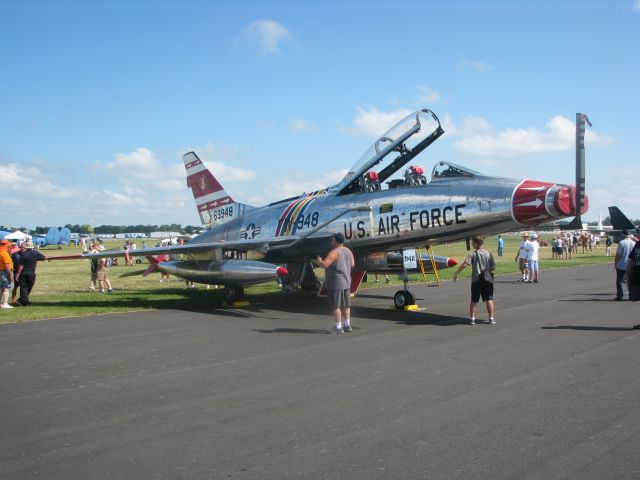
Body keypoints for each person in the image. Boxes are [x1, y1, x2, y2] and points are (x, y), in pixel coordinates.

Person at [315, 232, 355, 333]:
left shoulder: (334, 252)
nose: (331, 241)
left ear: (336, 241)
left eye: (333, 239)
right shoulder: (348, 251)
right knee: (346, 305)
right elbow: (353, 264)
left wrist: (318, 260)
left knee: (336, 306)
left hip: (335, 283)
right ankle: (347, 325)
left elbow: (325, 264)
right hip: (346, 282)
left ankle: (338, 327)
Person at [452, 235, 496, 325]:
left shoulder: (472, 254)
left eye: (472, 242)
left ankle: (472, 319)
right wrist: (486, 271)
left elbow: (464, 264)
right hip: (487, 279)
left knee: (474, 300)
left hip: (476, 280)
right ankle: (491, 318)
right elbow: (493, 267)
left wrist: (456, 273)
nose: (471, 244)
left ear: (476, 243)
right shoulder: (489, 253)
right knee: (489, 299)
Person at [15, 242, 47, 306]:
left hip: (23, 273)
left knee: (23, 288)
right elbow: (44, 258)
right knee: (29, 287)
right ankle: (24, 302)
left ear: (26, 247)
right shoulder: (35, 253)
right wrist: (36, 259)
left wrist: (18, 274)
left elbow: (21, 265)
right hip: (31, 273)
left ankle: (22, 301)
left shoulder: (23, 255)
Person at [614, 231, 635, 301]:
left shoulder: (621, 242)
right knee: (630, 280)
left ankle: (620, 296)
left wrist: (616, 263)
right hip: (630, 264)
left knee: (620, 281)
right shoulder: (633, 243)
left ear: (623, 235)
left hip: (621, 264)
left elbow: (618, 254)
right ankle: (632, 295)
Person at [0, 240, 15, 309]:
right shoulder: (4, 253)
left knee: (1, 288)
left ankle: (1, 303)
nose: (10, 247)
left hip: (1, 271)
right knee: (6, 288)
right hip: (5, 272)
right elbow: (7, 265)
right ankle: (5, 304)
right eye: (9, 246)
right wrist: (10, 274)